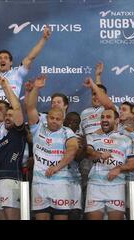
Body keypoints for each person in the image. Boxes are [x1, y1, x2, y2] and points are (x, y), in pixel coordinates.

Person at [26, 75, 79, 220]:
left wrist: (57, 167)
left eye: (58, 119)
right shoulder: (38, 128)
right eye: (52, 118)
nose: (54, 121)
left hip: (60, 183)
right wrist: (36, 88)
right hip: (39, 184)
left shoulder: (67, 132)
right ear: (47, 117)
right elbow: (30, 107)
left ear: (63, 120)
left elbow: (72, 151)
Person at [85, 109, 134, 220]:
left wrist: (119, 168)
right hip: (94, 185)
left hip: (116, 186)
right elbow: (88, 152)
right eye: (102, 117)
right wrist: (99, 154)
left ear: (117, 120)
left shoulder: (127, 139)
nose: (104, 120)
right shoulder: (92, 137)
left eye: (108, 117)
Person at [0, 75, 26, 220]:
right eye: (7, 115)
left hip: (12, 180)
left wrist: (5, 86)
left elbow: (17, 107)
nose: (7, 117)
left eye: (11, 115)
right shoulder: (2, 140)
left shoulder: (18, 132)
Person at [80, 62, 116, 135]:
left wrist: (96, 79)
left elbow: (101, 94)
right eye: (94, 94)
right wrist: (97, 75)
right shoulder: (84, 112)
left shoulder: (110, 110)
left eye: (99, 95)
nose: (96, 97)